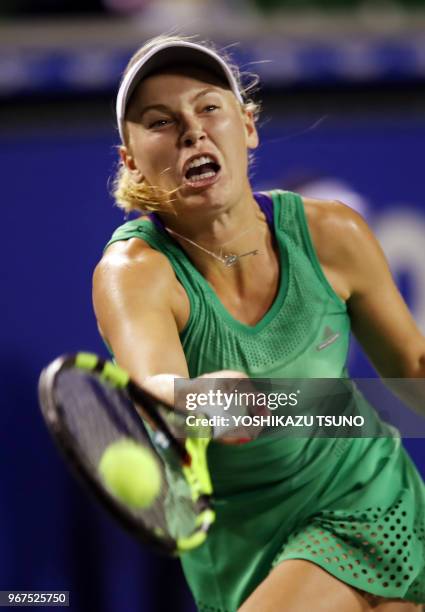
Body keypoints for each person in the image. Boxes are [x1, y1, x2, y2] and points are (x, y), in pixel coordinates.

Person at [92, 35, 425, 612]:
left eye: (209, 107)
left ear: (247, 127)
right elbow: (155, 385)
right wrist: (200, 397)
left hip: (364, 501)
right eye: (161, 121)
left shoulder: (333, 234)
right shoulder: (133, 272)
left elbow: (413, 374)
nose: (192, 129)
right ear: (130, 159)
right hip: (236, 547)